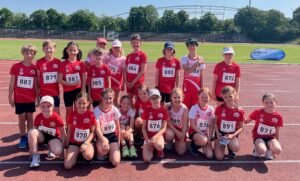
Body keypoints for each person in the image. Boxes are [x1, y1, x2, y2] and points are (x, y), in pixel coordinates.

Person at [8, 44, 38, 149]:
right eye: (27, 53)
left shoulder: (34, 68)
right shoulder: (16, 67)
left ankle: (30, 136)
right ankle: (22, 137)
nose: (29, 55)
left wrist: (37, 97)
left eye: (32, 53)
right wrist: (10, 97)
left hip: (30, 98)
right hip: (19, 98)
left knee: (30, 117)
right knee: (21, 118)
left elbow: (35, 84)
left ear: (34, 54)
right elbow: (12, 82)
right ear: (23, 53)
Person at [28, 96, 65, 168]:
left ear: (53, 107)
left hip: (53, 138)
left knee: (58, 151)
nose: (46, 109)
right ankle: (35, 157)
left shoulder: (57, 117)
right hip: (42, 137)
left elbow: (63, 134)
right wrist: (31, 148)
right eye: (43, 106)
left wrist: (63, 151)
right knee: (31, 131)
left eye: (48, 106)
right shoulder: (38, 117)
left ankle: (51, 148)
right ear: (40, 107)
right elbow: (33, 132)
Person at [245, 93, 283, 160]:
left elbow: (277, 131)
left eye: (271, 102)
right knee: (262, 151)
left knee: (278, 150)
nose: (269, 104)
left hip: (270, 138)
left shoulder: (278, 116)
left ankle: (269, 150)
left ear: (276, 102)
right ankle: (257, 148)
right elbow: (246, 121)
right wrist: (239, 114)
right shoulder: (257, 112)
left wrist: (275, 144)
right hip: (258, 136)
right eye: (266, 102)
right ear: (263, 103)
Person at [64, 93, 96, 169]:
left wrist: (86, 143)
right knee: (67, 166)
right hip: (74, 143)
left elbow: (93, 132)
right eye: (79, 103)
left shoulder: (91, 115)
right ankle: (78, 153)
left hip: (86, 142)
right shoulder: (72, 115)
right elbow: (68, 131)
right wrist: (66, 146)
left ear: (88, 103)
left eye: (84, 103)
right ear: (75, 102)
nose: (81, 105)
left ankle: (88, 150)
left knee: (88, 156)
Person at [58, 41, 86, 122]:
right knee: (69, 111)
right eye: (70, 50)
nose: (72, 52)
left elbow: (84, 78)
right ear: (67, 50)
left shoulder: (81, 64)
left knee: (79, 110)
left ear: (77, 51)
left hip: (78, 91)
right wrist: (70, 84)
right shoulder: (63, 64)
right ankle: (69, 128)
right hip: (67, 92)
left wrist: (83, 91)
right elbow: (59, 80)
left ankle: (78, 126)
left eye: (74, 50)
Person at [214, 86, 245, 160]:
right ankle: (218, 145)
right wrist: (217, 133)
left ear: (235, 95)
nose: (228, 99)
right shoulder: (219, 108)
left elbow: (241, 127)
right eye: (225, 97)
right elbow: (215, 122)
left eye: (230, 96)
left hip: (232, 134)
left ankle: (231, 149)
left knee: (236, 147)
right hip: (221, 134)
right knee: (219, 157)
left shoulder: (240, 111)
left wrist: (232, 135)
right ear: (222, 97)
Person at [94, 88, 121, 167]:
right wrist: (103, 139)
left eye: (110, 98)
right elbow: (97, 128)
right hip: (102, 136)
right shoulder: (96, 111)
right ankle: (101, 151)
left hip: (112, 135)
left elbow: (118, 126)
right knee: (103, 150)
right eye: (106, 98)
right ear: (101, 98)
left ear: (113, 98)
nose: (108, 100)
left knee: (115, 162)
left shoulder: (115, 109)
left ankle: (111, 152)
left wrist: (118, 140)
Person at [142, 89, 169, 163]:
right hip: (148, 136)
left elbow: (164, 128)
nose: (155, 100)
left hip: (158, 136)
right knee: (146, 159)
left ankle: (158, 150)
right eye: (152, 98)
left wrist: (155, 137)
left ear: (160, 98)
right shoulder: (146, 110)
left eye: (156, 97)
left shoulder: (164, 111)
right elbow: (143, 128)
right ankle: (151, 148)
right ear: (150, 100)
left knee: (159, 146)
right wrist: (147, 139)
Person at [188, 88, 215, 159]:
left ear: (209, 98)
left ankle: (204, 144)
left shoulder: (211, 109)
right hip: (195, 132)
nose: (204, 99)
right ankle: (193, 146)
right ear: (198, 96)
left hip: (205, 134)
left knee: (210, 156)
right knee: (203, 140)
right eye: (202, 97)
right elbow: (192, 125)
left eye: (206, 97)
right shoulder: (194, 108)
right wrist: (202, 134)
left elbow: (211, 125)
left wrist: (210, 136)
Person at [36, 40, 61, 114]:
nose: (49, 50)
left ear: (55, 49)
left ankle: (57, 125)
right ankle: (46, 126)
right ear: (43, 49)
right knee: (45, 112)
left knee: (56, 111)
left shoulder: (58, 62)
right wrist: (37, 94)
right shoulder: (39, 62)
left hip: (55, 93)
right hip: (43, 92)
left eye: (51, 48)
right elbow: (37, 79)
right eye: (46, 48)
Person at [181, 38, 205, 109]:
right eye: (189, 45)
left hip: (197, 87)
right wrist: (197, 64)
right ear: (187, 47)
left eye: (193, 45)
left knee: (195, 108)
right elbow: (187, 71)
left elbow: (201, 75)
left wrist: (202, 88)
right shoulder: (184, 58)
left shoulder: (201, 58)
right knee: (185, 108)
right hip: (187, 87)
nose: (191, 47)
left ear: (196, 46)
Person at [164, 88, 188, 156]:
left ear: (182, 98)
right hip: (171, 129)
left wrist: (182, 139)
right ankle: (169, 141)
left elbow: (185, 125)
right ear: (171, 98)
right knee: (169, 136)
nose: (177, 99)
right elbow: (167, 121)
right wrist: (176, 132)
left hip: (180, 130)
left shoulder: (185, 109)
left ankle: (180, 143)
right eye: (174, 97)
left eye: (179, 97)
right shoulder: (167, 106)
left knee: (181, 152)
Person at [124, 34, 147, 100]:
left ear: (140, 43)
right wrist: (126, 82)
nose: (135, 44)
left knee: (138, 100)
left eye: (137, 42)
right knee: (129, 100)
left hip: (138, 83)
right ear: (131, 43)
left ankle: (137, 110)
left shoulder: (142, 55)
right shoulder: (129, 56)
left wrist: (133, 82)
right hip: (129, 82)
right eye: (133, 42)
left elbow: (143, 71)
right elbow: (125, 70)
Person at [104, 39, 126, 106]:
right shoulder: (108, 57)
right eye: (115, 47)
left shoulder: (123, 59)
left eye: (118, 47)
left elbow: (124, 72)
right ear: (112, 48)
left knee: (116, 99)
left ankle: (116, 114)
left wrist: (123, 84)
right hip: (108, 82)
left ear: (121, 48)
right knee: (107, 99)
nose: (117, 49)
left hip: (117, 83)